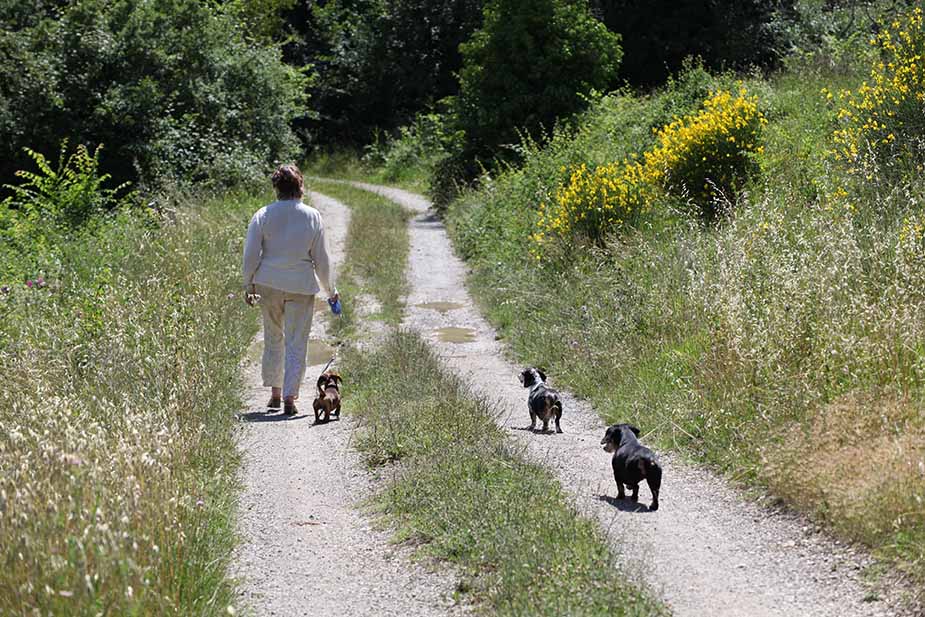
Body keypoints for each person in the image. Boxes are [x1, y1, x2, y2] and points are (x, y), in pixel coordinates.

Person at [241, 164, 339, 416]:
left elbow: (251, 255)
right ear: (301, 187)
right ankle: (289, 397)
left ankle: (274, 393)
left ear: (276, 188)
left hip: (268, 284)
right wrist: (331, 291)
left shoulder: (262, 214)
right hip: (300, 286)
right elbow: (322, 260)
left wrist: (248, 284)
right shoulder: (312, 216)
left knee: (274, 337)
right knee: (297, 342)